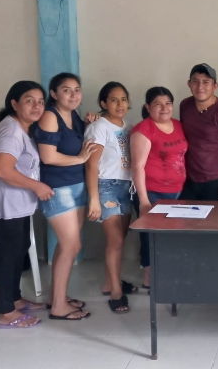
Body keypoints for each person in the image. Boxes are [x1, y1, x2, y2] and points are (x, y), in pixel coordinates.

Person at [0, 81, 52, 328]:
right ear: (14, 103)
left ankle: (15, 298)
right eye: (29, 100)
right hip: (5, 205)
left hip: (16, 204)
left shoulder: (20, 128)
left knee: (20, 247)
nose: (36, 106)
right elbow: (3, 170)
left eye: (40, 102)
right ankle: (6, 312)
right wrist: (37, 186)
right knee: (8, 255)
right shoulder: (11, 131)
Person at [32, 72, 95, 321]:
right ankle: (59, 307)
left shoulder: (74, 115)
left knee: (66, 244)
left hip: (76, 185)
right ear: (54, 93)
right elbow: (48, 157)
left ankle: (56, 297)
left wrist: (90, 122)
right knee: (72, 245)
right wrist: (80, 159)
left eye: (77, 90)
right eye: (66, 90)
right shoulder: (50, 116)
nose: (73, 95)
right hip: (57, 188)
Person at [84, 81, 137, 313]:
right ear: (103, 103)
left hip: (126, 187)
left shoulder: (129, 126)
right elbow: (91, 165)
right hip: (107, 187)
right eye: (114, 100)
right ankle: (116, 292)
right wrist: (94, 199)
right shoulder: (98, 127)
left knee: (119, 240)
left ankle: (109, 282)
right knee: (115, 241)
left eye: (123, 99)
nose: (120, 104)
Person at [131, 87, 188, 290]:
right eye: (158, 104)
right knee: (151, 236)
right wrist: (144, 201)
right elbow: (137, 166)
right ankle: (149, 277)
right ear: (148, 107)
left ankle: (167, 273)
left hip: (177, 192)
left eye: (168, 103)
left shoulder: (178, 125)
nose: (164, 108)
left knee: (170, 236)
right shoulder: (144, 129)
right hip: (152, 193)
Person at [178, 64, 218, 200]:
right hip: (188, 179)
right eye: (195, 82)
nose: (200, 87)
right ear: (189, 84)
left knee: (216, 215)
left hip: (215, 180)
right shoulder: (185, 105)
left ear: (215, 86)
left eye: (206, 82)